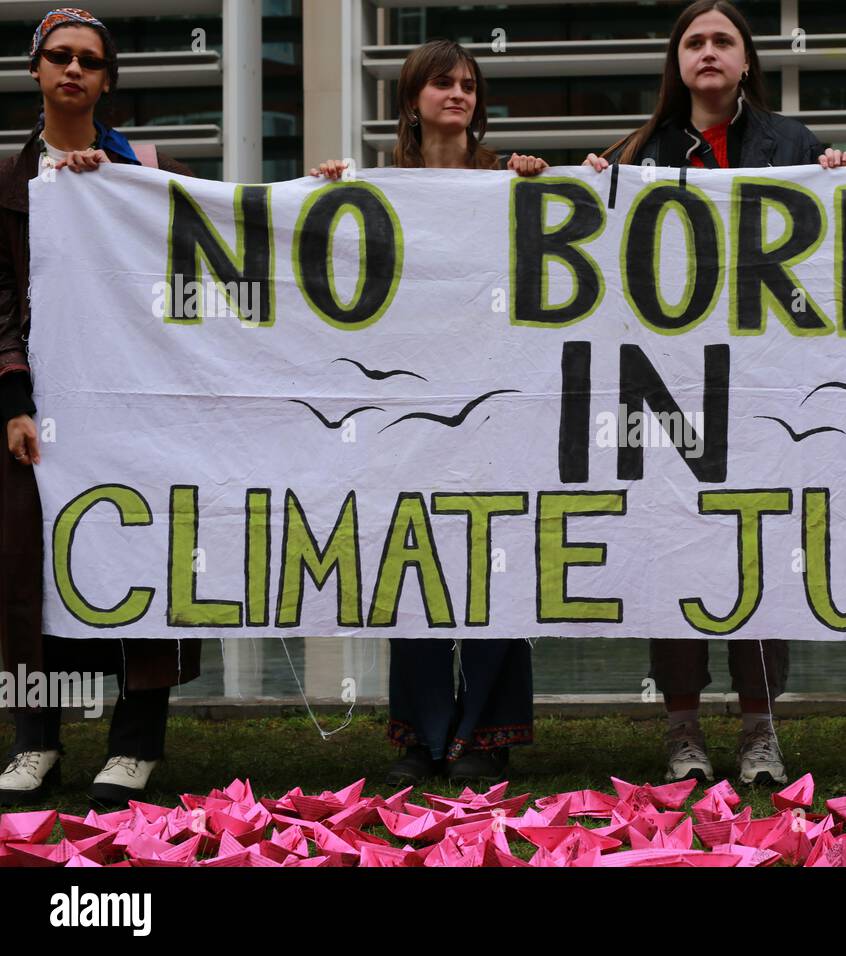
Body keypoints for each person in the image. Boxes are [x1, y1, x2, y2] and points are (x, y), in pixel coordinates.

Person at [583, 0, 846, 787]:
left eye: (722, 40)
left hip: (766, 389)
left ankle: (760, 730)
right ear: (677, 61)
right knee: (677, 558)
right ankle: (682, 730)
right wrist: (588, 184)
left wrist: (838, 179)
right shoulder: (638, 149)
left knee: (758, 551)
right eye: (693, 41)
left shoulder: (793, 145)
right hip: (670, 393)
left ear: (745, 60)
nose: (707, 51)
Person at [312, 39, 547, 785]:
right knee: (408, 561)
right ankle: (420, 734)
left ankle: (486, 734)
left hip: (497, 393)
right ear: (411, 97)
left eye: (469, 84)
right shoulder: (376, 188)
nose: (458, 94)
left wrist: (539, 185)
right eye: (443, 82)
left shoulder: (506, 178)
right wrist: (320, 196)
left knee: (494, 558)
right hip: (406, 398)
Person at [0, 7, 201, 808]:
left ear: (108, 79)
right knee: (34, 578)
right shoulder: (9, 185)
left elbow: (204, 263)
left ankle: (136, 740)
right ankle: (36, 739)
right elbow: (1, 305)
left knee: (141, 564)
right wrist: (13, 396)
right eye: (59, 57)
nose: (73, 70)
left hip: (137, 409)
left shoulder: (144, 171)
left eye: (89, 60)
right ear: (37, 70)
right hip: (40, 419)